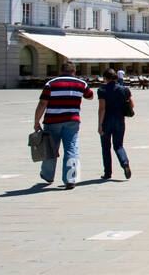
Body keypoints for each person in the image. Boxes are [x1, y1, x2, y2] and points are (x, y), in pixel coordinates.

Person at [34, 60, 93, 189]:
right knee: (71, 148)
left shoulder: (50, 84)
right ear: (74, 71)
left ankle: (48, 175)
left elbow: (42, 103)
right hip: (72, 121)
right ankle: (70, 179)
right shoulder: (81, 83)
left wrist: (36, 121)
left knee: (50, 149)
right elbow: (90, 96)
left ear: (60, 71)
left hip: (52, 121)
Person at [96, 68, 133, 180]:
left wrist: (99, 125)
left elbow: (102, 108)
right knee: (118, 145)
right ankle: (125, 163)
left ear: (105, 78)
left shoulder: (102, 90)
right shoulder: (124, 89)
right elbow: (132, 104)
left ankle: (107, 173)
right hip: (119, 120)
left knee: (106, 147)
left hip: (106, 121)